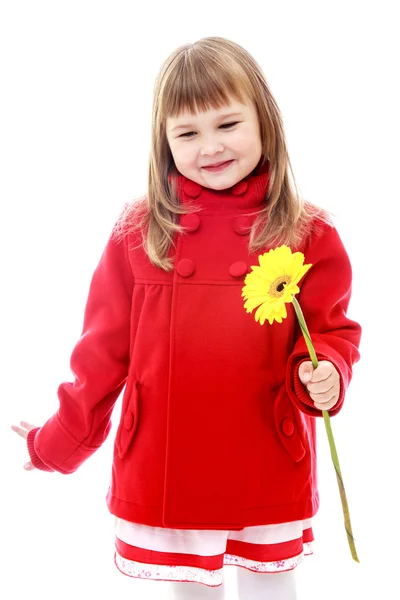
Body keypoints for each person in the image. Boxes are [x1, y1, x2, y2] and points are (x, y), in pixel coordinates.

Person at [12, 36, 361, 600]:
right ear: (164, 142)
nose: (211, 147)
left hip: (266, 452)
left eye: (228, 125)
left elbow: (331, 332)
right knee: (190, 589)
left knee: (270, 586)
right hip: (165, 456)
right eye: (188, 133)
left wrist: (325, 372)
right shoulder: (140, 230)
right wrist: (59, 442)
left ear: (264, 122)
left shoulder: (308, 231)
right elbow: (101, 354)